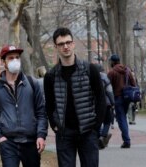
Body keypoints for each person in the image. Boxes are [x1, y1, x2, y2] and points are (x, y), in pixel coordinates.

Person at [44, 27, 106, 167]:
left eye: (68, 42)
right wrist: (54, 125)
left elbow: (101, 99)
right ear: (56, 47)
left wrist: (96, 127)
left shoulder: (90, 70)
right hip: (64, 134)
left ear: (73, 44)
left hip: (88, 132)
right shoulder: (51, 76)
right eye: (61, 44)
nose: (65, 46)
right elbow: (49, 104)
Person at [0, 45, 47, 167]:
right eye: (11, 58)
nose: (15, 61)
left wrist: (41, 136)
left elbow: (41, 112)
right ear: (3, 62)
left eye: (17, 57)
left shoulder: (32, 83)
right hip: (8, 143)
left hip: (31, 142)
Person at [107, 54, 136, 148]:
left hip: (117, 98)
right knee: (123, 118)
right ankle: (126, 139)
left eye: (110, 61)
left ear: (113, 62)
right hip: (127, 98)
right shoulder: (127, 70)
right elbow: (133, 83)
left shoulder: (111, 73)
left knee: (121, 119)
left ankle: (127, 141)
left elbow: (107, 86)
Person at [94, 64, 115, 149]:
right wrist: (113, 102)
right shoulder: (104, 77)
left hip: (94, 104)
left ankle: (98, 138)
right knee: (107, 121)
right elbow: (109, 91)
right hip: (106, 103)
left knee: (97, 122)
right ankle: (103, 137)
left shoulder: (91, 77)